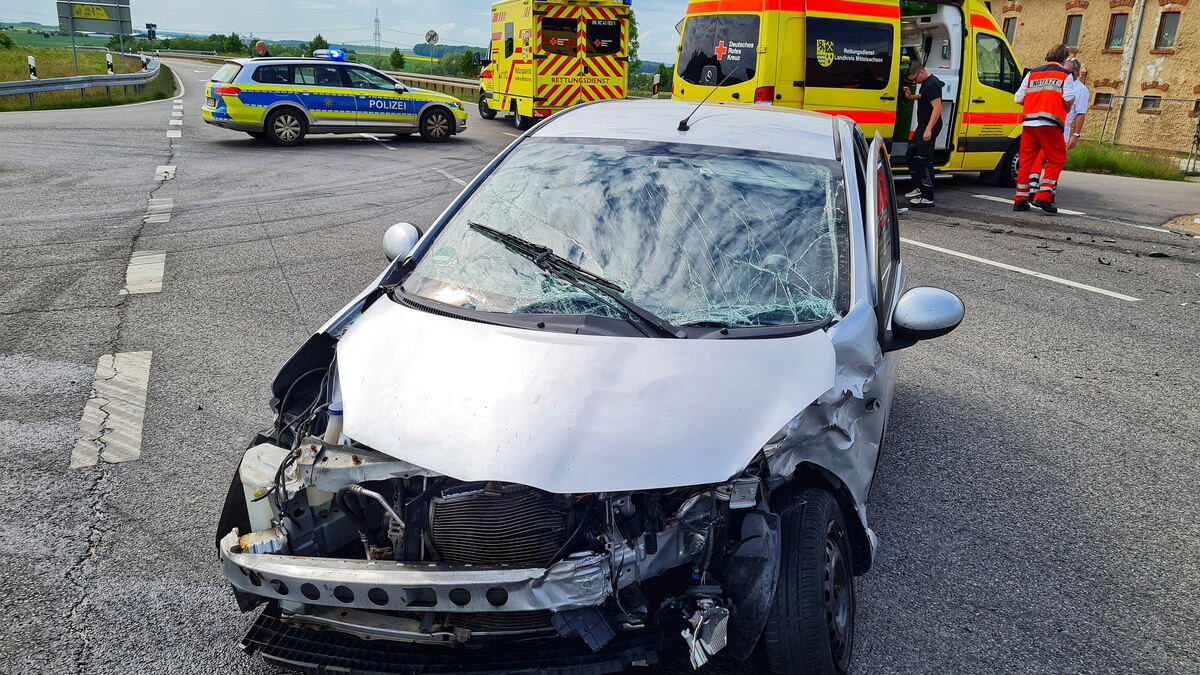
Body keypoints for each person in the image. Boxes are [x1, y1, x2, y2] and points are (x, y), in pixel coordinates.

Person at [1012, 44, 1076, 214]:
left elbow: (1018, 98)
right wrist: (1066, 107)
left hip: (1029, 123)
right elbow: (1069, 97)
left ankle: (1020, 200)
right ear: (1064, 59)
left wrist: (1035, 101)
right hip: (1050, 122)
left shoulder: (1032, 73)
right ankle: (1044, 196)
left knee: (1026, 161)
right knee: (1057, 157)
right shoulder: (1065, 74)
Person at [1029, 57, 1088, 197]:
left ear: (1076, 72)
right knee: (1038, 158)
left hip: (1062, 130)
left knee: (1053, 161)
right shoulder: (1059, 80)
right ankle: (1034, 188)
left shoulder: (1081, 90)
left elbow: (1080, 114)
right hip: (1047, 125)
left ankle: (1048, 191)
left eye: (1067, 70)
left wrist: (1076, 135)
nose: (1063, 72)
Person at [901, 62, 943, 208]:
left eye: (914, 79)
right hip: (923, 126)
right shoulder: (926, 83)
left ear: (920, 72)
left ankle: (927, 196)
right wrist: (909, 96)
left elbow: (937, 107)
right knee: (911, 154)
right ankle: (920, 186)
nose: (914, 82)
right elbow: (922, 97)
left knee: (924, 159)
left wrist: (928, 129)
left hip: (928, 126)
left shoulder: (931, 84)